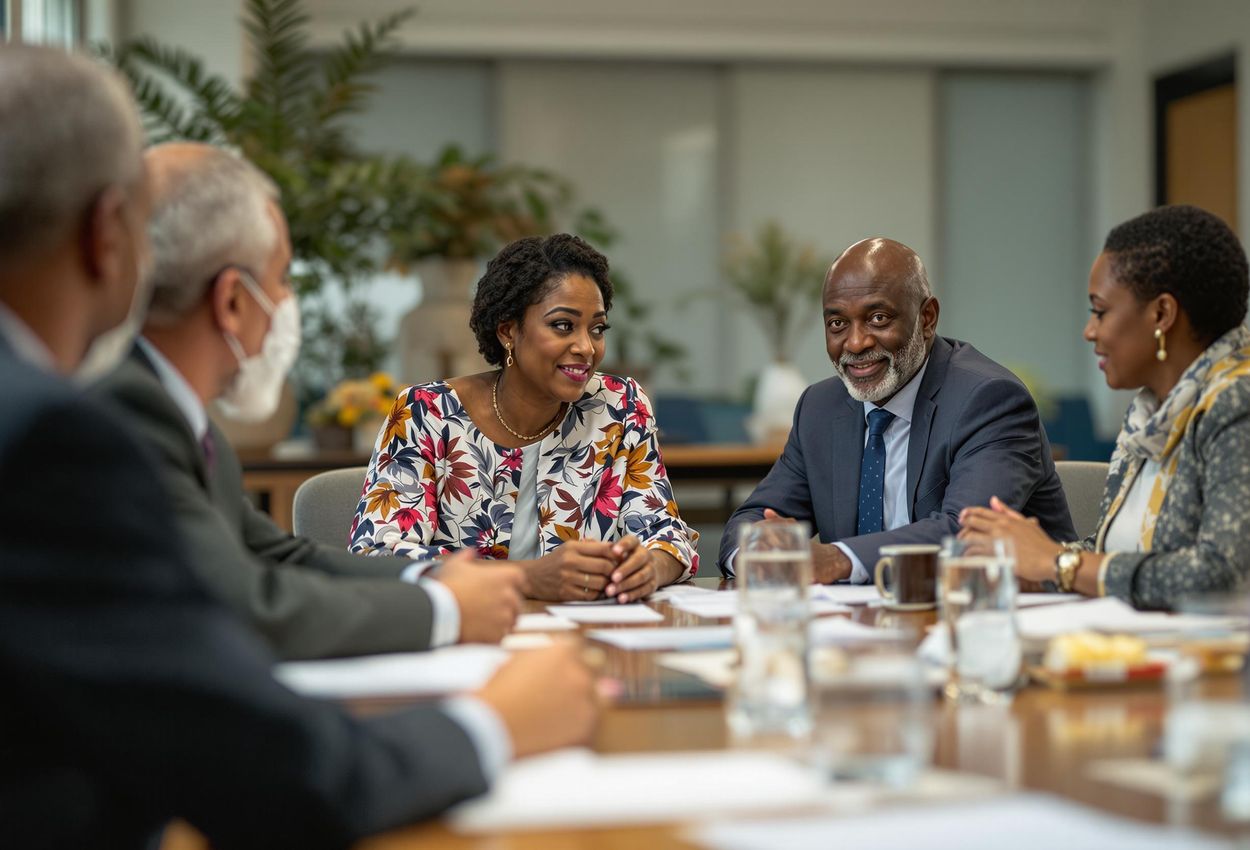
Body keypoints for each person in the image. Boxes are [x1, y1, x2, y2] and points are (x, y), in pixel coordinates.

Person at [0, 44, 597, 849]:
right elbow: (274, 768)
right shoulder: (56, 435)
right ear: (110, 234)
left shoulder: (121, 415)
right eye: (283, 280)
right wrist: (492, 723)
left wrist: (441, 589)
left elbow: (262, 558)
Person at [95, 142, 522, 660]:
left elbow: (276, 555)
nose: (284, 304)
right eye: (280, 278)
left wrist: (431, 573)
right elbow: (248, 607)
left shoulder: (174, 409)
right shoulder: (127, 412)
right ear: (231, 301)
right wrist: (446, 611)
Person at [350, 234, 699, 602]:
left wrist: (650, 567)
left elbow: (667, 533)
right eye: (563, 325)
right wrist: (528, 577)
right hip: (466, 639)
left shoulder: (619, 406)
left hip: (586, 639)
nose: (586, 347)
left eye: (597, 329)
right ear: (508, 331)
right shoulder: (427, 413)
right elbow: (379, 554)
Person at [719, 237, 1074, 582]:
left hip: (1001, 618)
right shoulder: (820, 408)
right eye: (837, 324)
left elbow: (967, 534)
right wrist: (760, 551)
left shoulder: (989, 400)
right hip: (863, 626)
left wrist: (838, 559)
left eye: (878, 318)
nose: (856, 343)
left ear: (927, 318)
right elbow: (750, 520)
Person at [960, 205, 1250, 610]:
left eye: (1100, 311)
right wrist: (1022, 564)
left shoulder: (1237, 404)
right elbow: (1110, 551)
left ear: (1161, 313)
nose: (1089, 331)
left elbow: (1219, 575)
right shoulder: (1148, 418)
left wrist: (1057, 562)